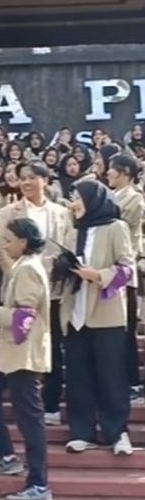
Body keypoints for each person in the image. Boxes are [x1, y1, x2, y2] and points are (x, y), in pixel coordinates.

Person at [0, 217, 54, 500]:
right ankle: (7, 456)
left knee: (30, 420)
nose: (4, 244)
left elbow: (23, 318)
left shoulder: (28, 271)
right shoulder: (22, 267)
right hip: (12, 355)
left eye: (9, 239)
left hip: (24, 357)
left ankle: (39, 484)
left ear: (24, 242)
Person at [0, 161, 73, 426]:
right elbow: (1, 251)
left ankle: (49, 404)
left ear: (45, 181)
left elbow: (66, 247)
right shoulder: (8, 212)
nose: (26, 182)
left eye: (31, 178)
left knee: (52, 346)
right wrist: (20, 272)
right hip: (21, 288)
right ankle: (22, 403)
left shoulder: (61, 212)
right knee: (18, 342)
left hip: (54, 290)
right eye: (22, 178)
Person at [58, 180, 134, 455]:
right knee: (78, 376)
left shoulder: (115, 227)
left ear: (92, 199)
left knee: (111, 376)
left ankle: (117, 432)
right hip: (76, 313)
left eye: (77, 197)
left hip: (106, 316)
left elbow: (127, 268)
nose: (73, 203)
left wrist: (98, 276)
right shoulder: (74, 230)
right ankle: (82, 431)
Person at [106, 153, 143, 394]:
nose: (108, 173)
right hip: (107, 267)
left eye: (112, 169)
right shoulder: (112, 196)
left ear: (125, 173)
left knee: (127, 329)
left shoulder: (134, 200)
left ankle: (131, 381)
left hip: (124, 270)